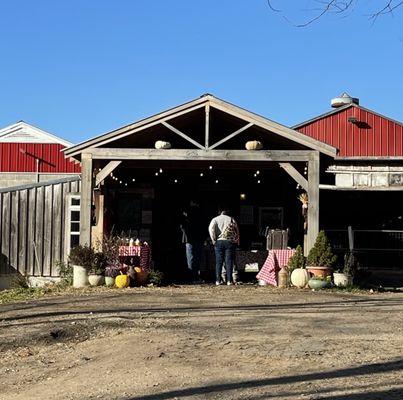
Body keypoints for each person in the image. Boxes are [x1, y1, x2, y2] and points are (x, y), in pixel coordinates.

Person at [208, 206, 240, 286]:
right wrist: (236, 241)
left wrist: (213, 240)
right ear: (226, 211)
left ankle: (218, 281)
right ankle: (229, 281)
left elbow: (211, 229)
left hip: (219, 241)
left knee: (219, 262)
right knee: (229, 262)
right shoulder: (231, 219)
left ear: (219, 211)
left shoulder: (215, 219)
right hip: (229, 242)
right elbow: (236, 230)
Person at [180, 200, 205, 283]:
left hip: (189, 238)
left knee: (190, 258)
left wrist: (185, 233)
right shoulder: (200, 213)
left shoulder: (186, 213)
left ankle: (192, 277)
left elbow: (182, 225)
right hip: (198, 238)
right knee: (197, 258)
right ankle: (196, 276)